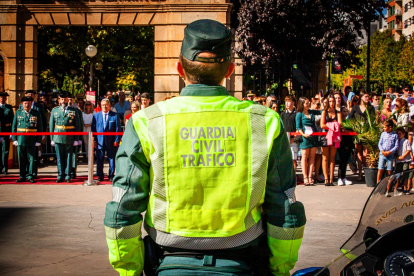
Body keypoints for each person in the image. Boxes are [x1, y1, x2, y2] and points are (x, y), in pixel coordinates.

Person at [103, 19, 305, 276]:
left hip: (168, 259)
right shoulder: (264, 121)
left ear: (179, 68)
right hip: (241, 260)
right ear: (230, 70)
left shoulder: (146, 122)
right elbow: (284, 207)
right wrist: (280, 269)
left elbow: (123, 208)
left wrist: (129, 270)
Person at [49, 91, 81, 183]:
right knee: (59, 157)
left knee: (68, 157)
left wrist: (76, 138)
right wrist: (52, 138)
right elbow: (52, 125)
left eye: (65, 99)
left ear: (67, 99)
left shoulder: (74, 110)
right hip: (58, 137)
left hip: (69, 137)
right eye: (62, 99)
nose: (63, 101)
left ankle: (67, 175)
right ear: (59, 100)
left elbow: (77, 125)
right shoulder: (55, 110)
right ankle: (60, 174)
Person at [12, 96, 43, 183]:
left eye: (28, 103)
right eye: (25, 103)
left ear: (31, 104)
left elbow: (39, 127)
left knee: (31, 159)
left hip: (32, 140)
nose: (27, 105)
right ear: (22, 104)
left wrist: (38, 140)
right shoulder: (18, 113)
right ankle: (22, 176)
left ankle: (30, 176)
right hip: (21, 139)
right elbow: (14, 126)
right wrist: (14, 139)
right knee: (21, 159)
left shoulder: (36, 113)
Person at [20, 90, 47, 179]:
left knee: (33, 156)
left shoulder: (39, 106)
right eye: (28, 94)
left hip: (34, 134)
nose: (30, 96)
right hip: (22, 136)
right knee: (23, 157)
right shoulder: (21, 106)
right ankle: (23, 174)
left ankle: (33, 173)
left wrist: (42, 133)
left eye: (32, 94)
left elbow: (42, 119)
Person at [92, 98, 121, 182]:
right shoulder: (96, 116)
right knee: (99, 159)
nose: (104, 106)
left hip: (111, 141)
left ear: (109, 105)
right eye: (103, 105)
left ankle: (111, 175)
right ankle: (100, 175)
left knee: (111, 159)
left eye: (106, 105)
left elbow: (117, 128)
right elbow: (94, 129)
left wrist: (116, 140)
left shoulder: (115, 115)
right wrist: (94, 141)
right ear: (100, 106)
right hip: (99, 141)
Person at [348, 91, 375, 181]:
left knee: (366, 153)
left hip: (367, 132)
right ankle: (360, 173)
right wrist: (356, 125)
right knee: (359, 153)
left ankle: (366, 172)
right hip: (358, 133)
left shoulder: (371, 108)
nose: (368, 98)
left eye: (368, 97)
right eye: (366, 96)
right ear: (361, 98)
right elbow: (350, 119)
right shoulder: (355, 108)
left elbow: (373, 119)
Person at [296, 97, 321, 186]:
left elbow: (321, 112)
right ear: (302, 104)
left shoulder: (311, 112)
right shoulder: (299, 114)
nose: (308, 104)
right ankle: (305, 177)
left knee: (312, 157)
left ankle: (310, 177)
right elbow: (298, 127)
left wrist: (321, 102)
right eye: (306, 103)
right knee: (304, 157)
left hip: (313, 136)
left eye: (308, 103)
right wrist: (303, 134)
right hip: (305, 138)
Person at [320, 95, 342, 186]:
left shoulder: (338, 113)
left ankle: (331, 178)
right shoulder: (324, 112)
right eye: (330, 101)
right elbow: (322, 125)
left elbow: (339, 124)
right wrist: (333, 125)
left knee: (332, 158)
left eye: (333, 101)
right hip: (325, 136)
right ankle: (326, 178)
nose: (332, 103)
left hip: (335, 137)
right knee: (325, 157)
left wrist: (332, 126)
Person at [389, 127, 412, 197]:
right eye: (397, 134)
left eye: (400, 134)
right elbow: (395, 151)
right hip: (398, 160)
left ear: (404, 134)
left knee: (405, 173)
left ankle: (405, 188)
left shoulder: (406, 141)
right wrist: (397, 157)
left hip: (405, 160)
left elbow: (408, 150)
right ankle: (395, 188)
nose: (399, 135)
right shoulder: (397, 142)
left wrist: (403, 156)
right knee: (398, 174)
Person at [377, 120, 399, 187]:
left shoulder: (395, 135)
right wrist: (382, 151)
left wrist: (390, 152)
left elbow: (396, 146)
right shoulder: (383, 134)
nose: (383, 129)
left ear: (390, 127)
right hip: (382, 154)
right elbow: (380, 143)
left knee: (389, 170)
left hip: (390, 155)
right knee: (380, 169)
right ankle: (377, 184)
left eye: (385, 127)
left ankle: (388, 186)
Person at [280, 95, 297, 171]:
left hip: (294, 140)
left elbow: (298, 127)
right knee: (284, 160)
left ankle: (294, 176)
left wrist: (294, 138)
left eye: (288, 101)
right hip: (285, 139)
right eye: (285, 101)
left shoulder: (297, 114)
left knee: (293, 159)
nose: (286, 103)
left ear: (293, 102)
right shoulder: (283, 114)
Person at [68, 94, 84, 179]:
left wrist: (79, 138)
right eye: (68, 99)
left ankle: (73, 171)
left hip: (74, 136)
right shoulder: (60, 110)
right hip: (64, 136)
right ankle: (65, 171)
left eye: (71, 100)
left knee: (74, 155)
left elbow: (80, 125)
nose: (70, 101)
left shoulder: (77, 111)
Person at [337, 106, 353, 186]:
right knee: (342, 160)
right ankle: (340, 177)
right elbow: (342, 129)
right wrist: (346, 130)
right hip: (341, 141)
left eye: (346, 111)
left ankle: (344, 177)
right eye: (343, 111)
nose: (345, 113)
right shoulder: (340, 121)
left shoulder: (348, 121)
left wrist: (348, 130)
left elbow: (353, 129)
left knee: (346, 160)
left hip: (349, 141)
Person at [0, 92, 14, 175]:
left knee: (5, 151)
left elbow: (12, 120)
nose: (2, 99)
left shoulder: (9, 107)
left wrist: (12, 132)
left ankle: (5, 168)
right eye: (1, 97)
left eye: (4, 97)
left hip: (6, 131)